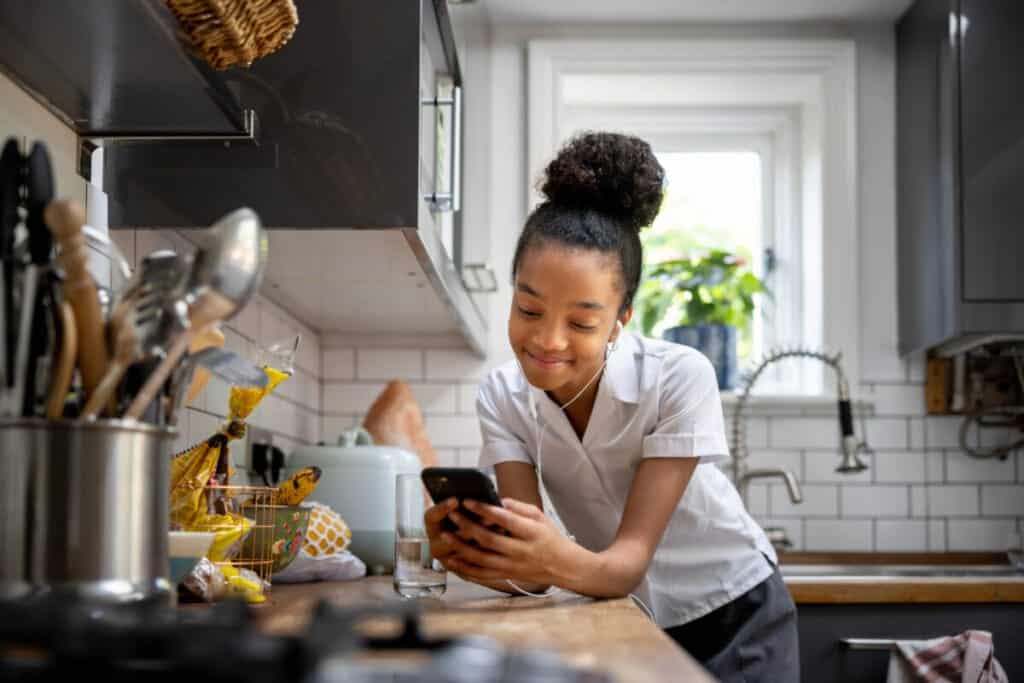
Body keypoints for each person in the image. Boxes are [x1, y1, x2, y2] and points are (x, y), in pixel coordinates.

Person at [423, 131, 799, 681]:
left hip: (734, 612)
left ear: (620, 319)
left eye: (581, 322)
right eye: (529, 310)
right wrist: (477, 552)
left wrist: (545, 557)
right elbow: (533, 569)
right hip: (627, 615)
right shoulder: (502, 396)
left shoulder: (678, 378)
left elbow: (624, 564)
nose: (548, 340)